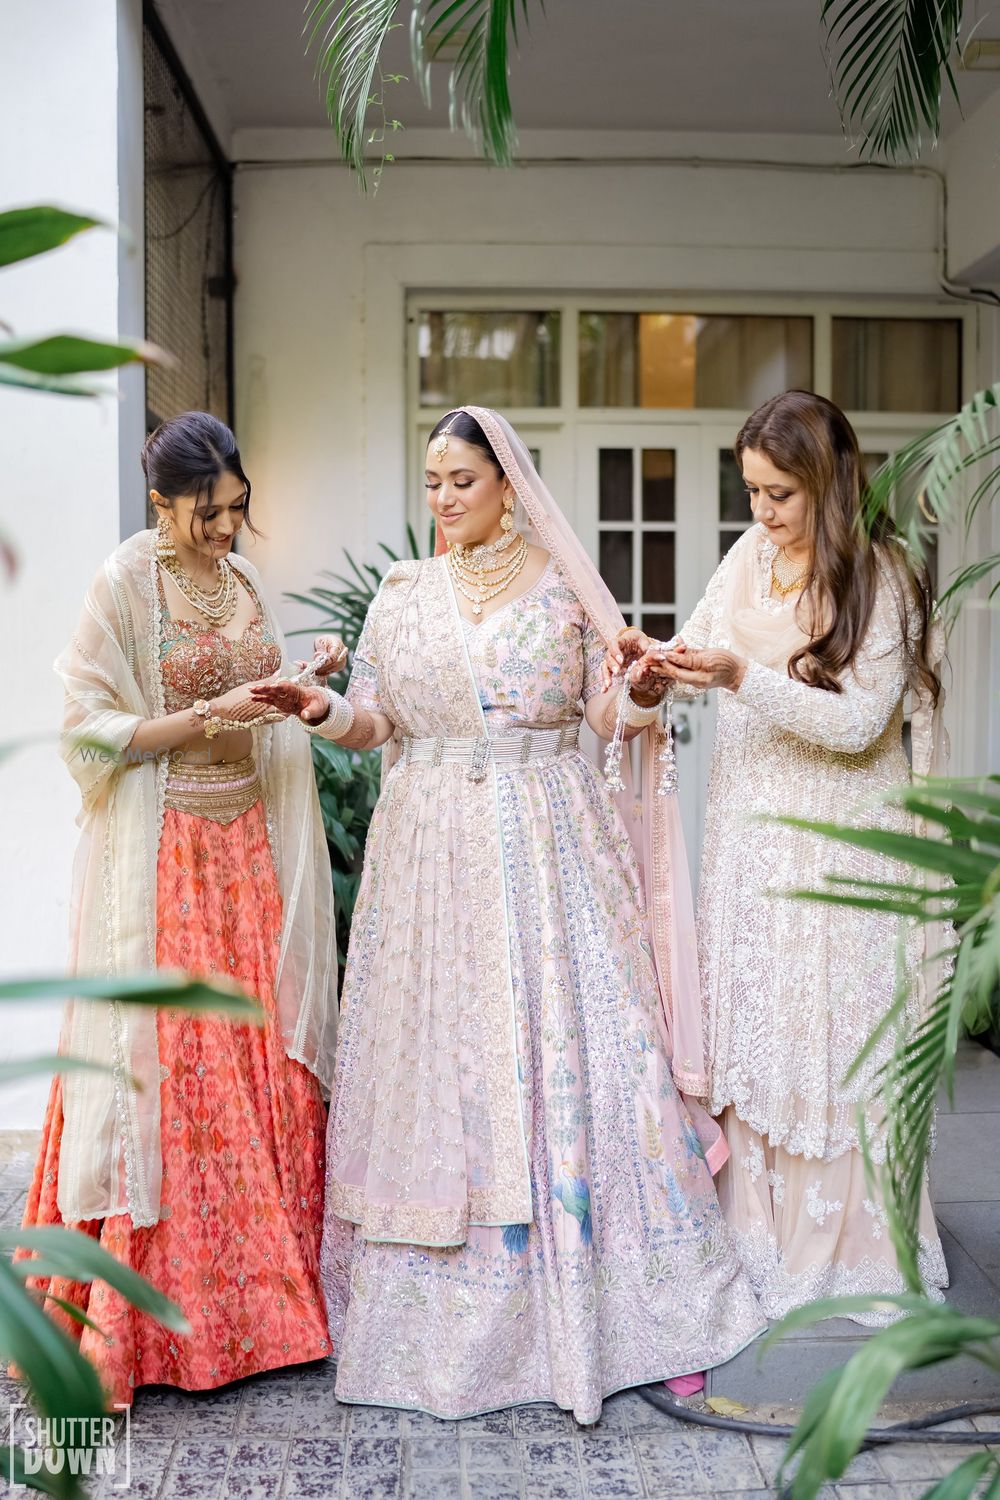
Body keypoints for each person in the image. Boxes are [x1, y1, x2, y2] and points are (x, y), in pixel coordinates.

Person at [251, 406, 764, 1424]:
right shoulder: (404, 595)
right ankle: (432, 1323)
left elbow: (604, 717)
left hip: (546, 852)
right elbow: (375, 721)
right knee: (441, 1065)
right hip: (428, 861)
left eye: (461, 482)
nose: (441, 500)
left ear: (508, 485)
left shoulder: (564, 593)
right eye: (431, 481)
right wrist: (319, 714)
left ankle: (620, 1303)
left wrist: (646, 690)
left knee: (567, 1059)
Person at [608, 390, 948, 1324]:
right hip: (749, 835)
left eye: (780, 495)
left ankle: (847, 1248)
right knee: (757, 1024)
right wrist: (656, 663)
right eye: (752, 490)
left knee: (829, 1031)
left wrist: (740, 678)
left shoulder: (883, 578)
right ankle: (755, 1232)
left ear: (830, 483)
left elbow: (857, 724)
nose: (762, 512)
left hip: (841, 844)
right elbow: (700, 644)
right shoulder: (748, 558)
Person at [20, 411, 339, 1404]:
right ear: (162, 502)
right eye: (208, 513)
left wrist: (297, 683)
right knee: (176, 1081)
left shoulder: (240, 586)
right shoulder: (124, 583)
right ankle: (148, 1334)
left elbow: (260, 701)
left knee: (258, 1071)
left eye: (238, 510)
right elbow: (88, 732)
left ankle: (267, 1316)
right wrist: (210, 715)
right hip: (164, 860)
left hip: (245, 853)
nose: (227, 532)